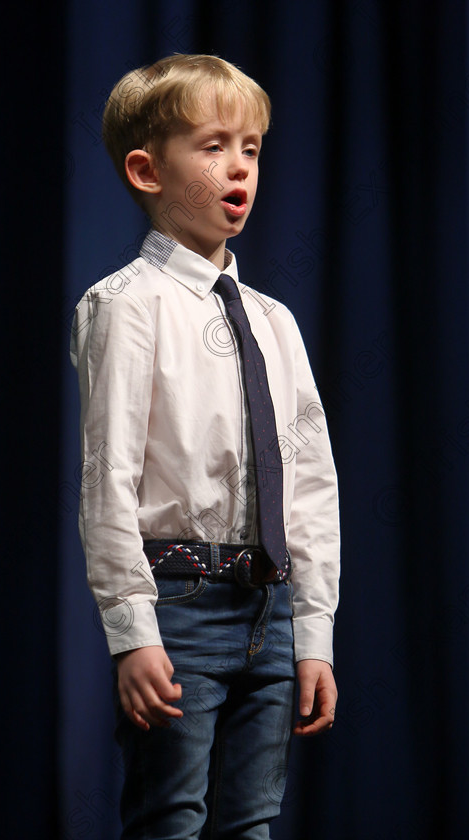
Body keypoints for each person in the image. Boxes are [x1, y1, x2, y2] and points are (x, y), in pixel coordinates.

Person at [70, 53, 340, 840]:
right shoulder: (126, 307)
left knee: (252, 822)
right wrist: (133, 630)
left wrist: (311, 636)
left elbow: (311, 484)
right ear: (147, 170)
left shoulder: (274, 320)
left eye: (251, 148)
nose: (240, 167)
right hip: (179, 605)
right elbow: (106, 479)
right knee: (171, 818)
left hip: (272, 608)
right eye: (214, 145)